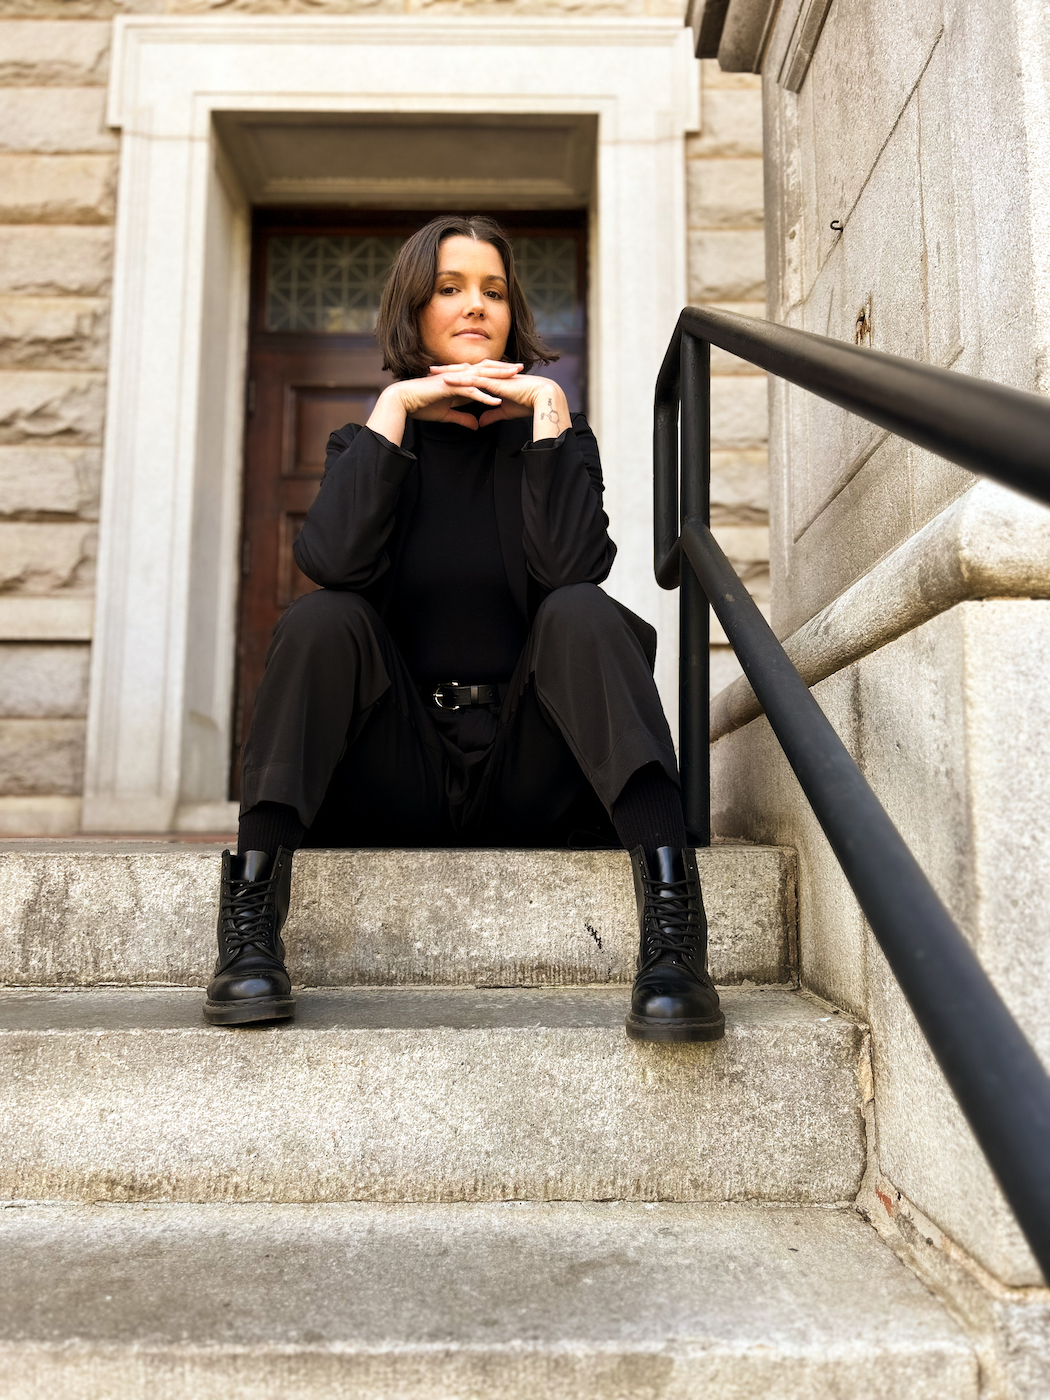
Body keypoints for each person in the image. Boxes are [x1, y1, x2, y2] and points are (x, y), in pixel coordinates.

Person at [204, 214, 723, 1045]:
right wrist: (395, 407)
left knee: (584, 612)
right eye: (449, 289)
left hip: (529, 768)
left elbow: (569, 571)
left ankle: (673, 940)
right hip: (399, 765)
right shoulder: (366, 443)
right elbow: (333, 561)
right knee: (321, 618)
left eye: (493, 291)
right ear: (414, 311)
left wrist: (550, 409)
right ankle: (250, 935)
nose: (475, 306)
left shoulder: (554, 439)